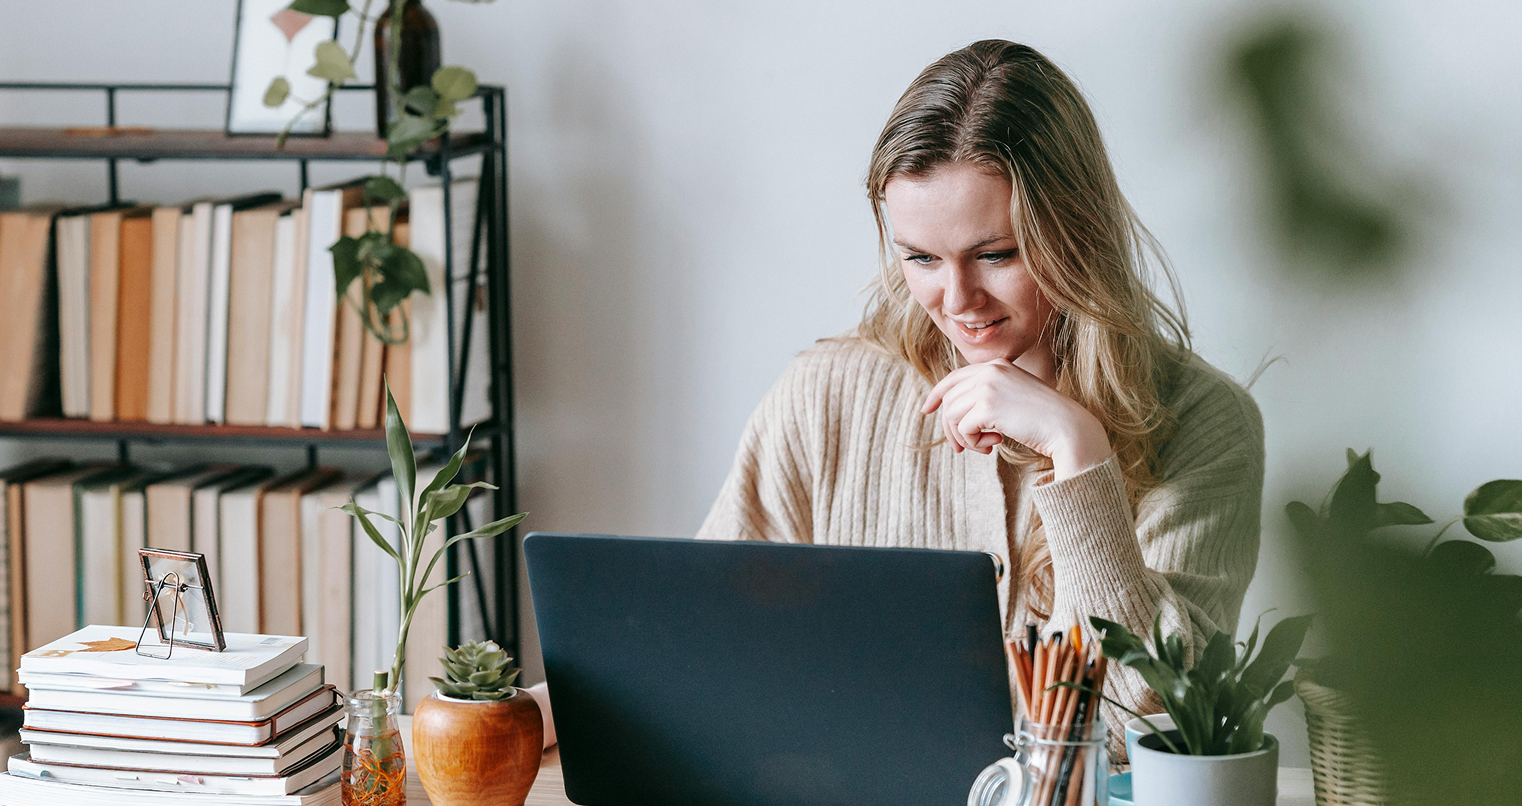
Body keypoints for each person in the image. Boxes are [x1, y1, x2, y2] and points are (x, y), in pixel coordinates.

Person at [534, 39, 1263, 760]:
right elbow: (699, 644)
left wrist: (1079, 454)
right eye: (921, 259)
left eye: (996, 255)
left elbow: (1158, 725)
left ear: (1077, 231)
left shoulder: (1206, 423)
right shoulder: (826, 395)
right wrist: (529, 709)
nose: (957, 301)